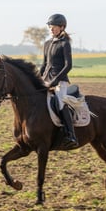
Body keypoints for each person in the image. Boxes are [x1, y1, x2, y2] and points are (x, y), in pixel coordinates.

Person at [40, 13, 78, 147]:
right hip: (45, 79)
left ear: (62, 27)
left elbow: (69, 66)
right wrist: (37, 78)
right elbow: (44, 64)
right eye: (50, 27)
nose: (52, 29)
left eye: (54, 27)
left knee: (60, 103)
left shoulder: (65, 43)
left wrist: (55, 80)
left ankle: (71, 135)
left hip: (60, 81)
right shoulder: (47, 43)